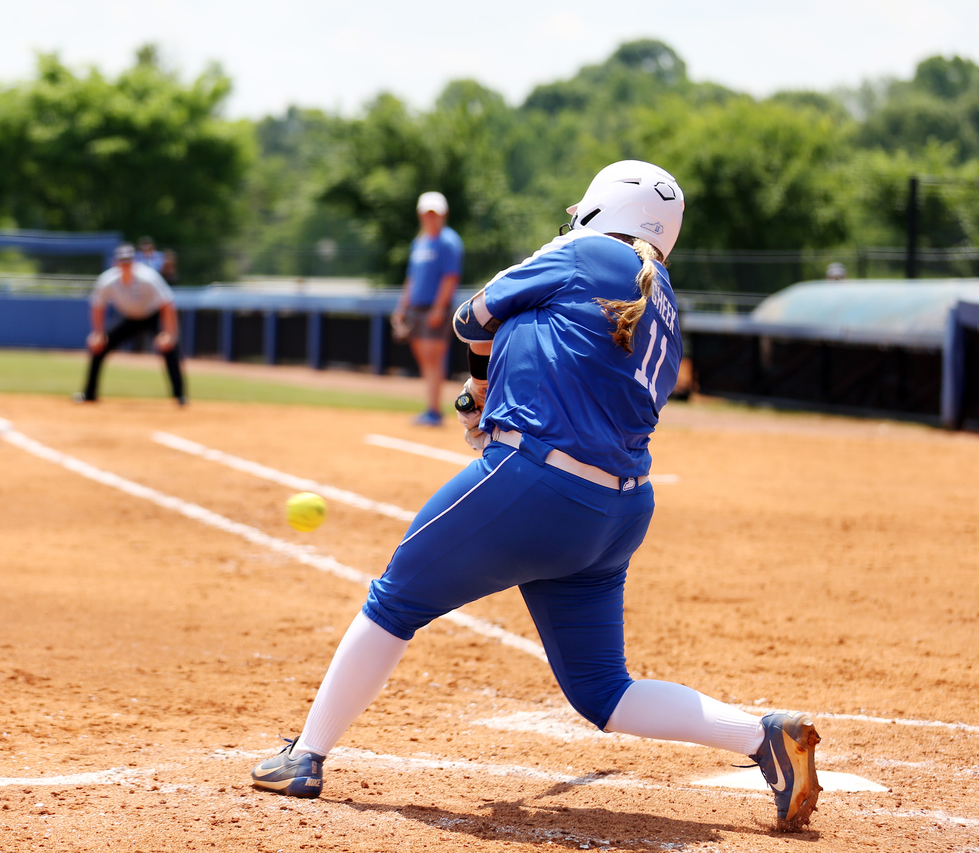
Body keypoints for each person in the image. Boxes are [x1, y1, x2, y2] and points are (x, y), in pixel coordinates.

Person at [249, 161, 822, 833]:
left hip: (537, 485)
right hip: (618, 513)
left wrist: (480, 385)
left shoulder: (582, 251)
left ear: (600, 207)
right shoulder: (662, 298)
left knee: (394, 599)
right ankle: (763, 737)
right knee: (603, 690)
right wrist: (488, 393)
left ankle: (306, 755)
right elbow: (568, 358)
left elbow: (472, 316)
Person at [74, 243, 185, 406]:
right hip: (127, 317)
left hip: (151, 315)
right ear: (116, 263)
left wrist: (169, 334)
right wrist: (97, 333)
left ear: (134, 262)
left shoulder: (148, 278)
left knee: (169, 347)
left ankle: (179, 396)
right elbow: (97, 306)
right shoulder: (108, 280)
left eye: (128, 261)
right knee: (99, 347)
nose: (125, 265)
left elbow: (167, 304)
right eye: (122, 261)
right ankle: (89, 394)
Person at [391, 192, 463, 426]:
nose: (430, 218)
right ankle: (431, 408)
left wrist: (439, 309)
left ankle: (435, 410)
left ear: (443, 215)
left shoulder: (448, 241)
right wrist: (402, 305)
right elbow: (411, 277)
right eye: (427, 214)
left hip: (434, 308)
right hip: (416, 308)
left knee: (434, 358)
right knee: (424, 359)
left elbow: (450, 278)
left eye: (435, 214)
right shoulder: (420, 241)